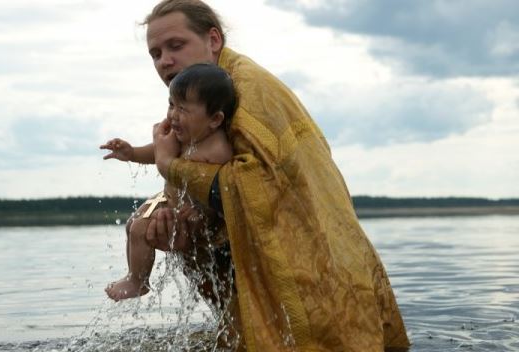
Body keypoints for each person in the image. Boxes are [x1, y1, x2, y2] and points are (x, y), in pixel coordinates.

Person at [127, 0, 412, 351]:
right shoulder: (200, 95)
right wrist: (172, 218)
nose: (164, 61)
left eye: (176, 45)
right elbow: (216, 192)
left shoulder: (250, 95)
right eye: (155, 53)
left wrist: (170, 167)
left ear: (213, 40)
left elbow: (254, 188)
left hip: (315, 273)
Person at [101, 63, 237, 302]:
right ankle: (135, 274)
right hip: (168, 200)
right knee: (133, 224)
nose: (173, 115)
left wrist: (200, 212)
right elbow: (156, 152)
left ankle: (138, 281)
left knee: (141, 228)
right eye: (171, 104)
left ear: (215, 119)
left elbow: (221, 188)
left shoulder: (217, 149)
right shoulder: (179, 136)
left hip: (195, 213)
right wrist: (131, 153)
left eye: (183, 109)